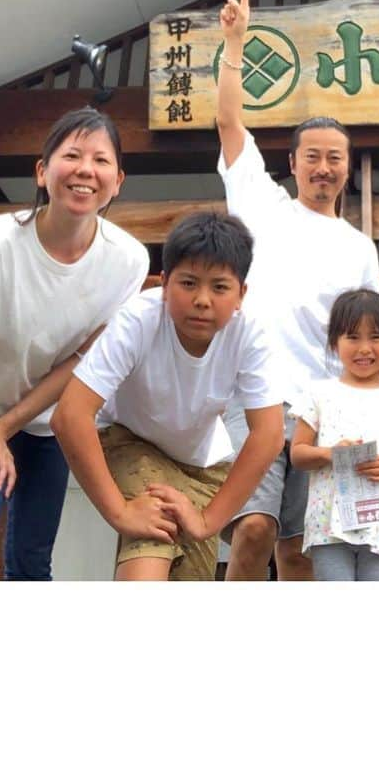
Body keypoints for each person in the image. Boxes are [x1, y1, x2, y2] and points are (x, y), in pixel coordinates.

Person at [0, 108, 148, 580]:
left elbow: (84, 357)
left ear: (118, 180)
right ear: (43, 171)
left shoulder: (128, 260)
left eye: (101, 161)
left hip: (44, 420)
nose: (86, 170)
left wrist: (5, 429)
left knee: (32, 553)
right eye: (72, 156)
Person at [214, 0, 379, 581]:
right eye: (312, 155)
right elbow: (230, 122)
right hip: (254, 393)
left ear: (348, 168)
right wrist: (236, 44)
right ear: (292, 164)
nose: (324, 167)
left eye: (335, 157)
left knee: (301, 548)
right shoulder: (262, 203)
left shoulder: (361, 249)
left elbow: (363, 343)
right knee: (253, 527)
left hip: (321, 411)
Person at [50, 211, 284, 581]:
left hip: (202, 464)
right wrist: (119, 512)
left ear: (242, 294)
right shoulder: (139, 318)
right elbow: (70, 415)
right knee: (153, 538)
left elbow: (269, 434)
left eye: (220, 287)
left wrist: (208, 521)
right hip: (129, 439)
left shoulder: (250, 334)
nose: (203, 299)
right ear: (164, 282)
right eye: (188, 283)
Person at [289, 289, 379, 581]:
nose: (365, 348)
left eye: (376, 337)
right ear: (335, 342)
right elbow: (298, 453)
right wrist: (329, 454)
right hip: (329, 528)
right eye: (353, 337)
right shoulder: (319, 395)